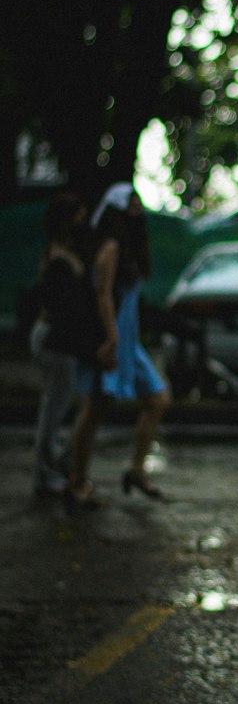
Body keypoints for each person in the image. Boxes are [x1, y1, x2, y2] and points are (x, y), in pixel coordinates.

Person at [68, 182, 171, 503]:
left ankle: (135, 470)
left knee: (157, 400)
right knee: (96, 408)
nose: (137, 210)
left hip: (127, 341)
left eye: (139, 204)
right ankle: (77, 481)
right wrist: (111, 337)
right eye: (131, 205)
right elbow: (102, 295)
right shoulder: (110, 247)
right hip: (112, 338)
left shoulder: (127, 248)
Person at [30, 190, 103, 502]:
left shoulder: (60, 252)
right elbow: (62, 308)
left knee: (55, 405)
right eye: (78, 216)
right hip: (54, 338)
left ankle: (51, 472)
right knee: (54, 408)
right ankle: (47, 475)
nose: (82, 222)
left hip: (55, 337)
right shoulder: (59, 257)